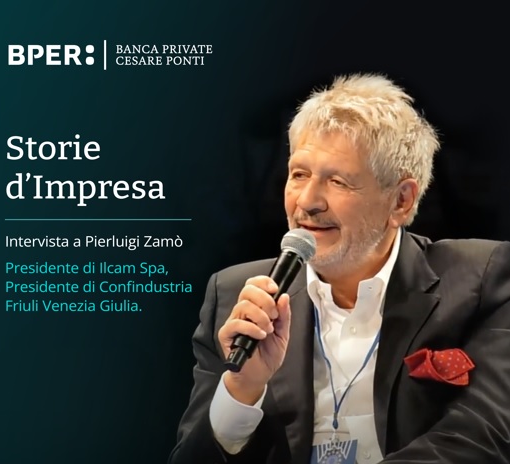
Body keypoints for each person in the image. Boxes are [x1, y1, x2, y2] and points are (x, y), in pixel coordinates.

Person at [168, 74, 510, 464]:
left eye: (337, 181)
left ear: (400, 201)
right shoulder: (234, 296)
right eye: (299, 175)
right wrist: (241, 390)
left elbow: (481, 438)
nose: (307, 201)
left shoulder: (482, 280)